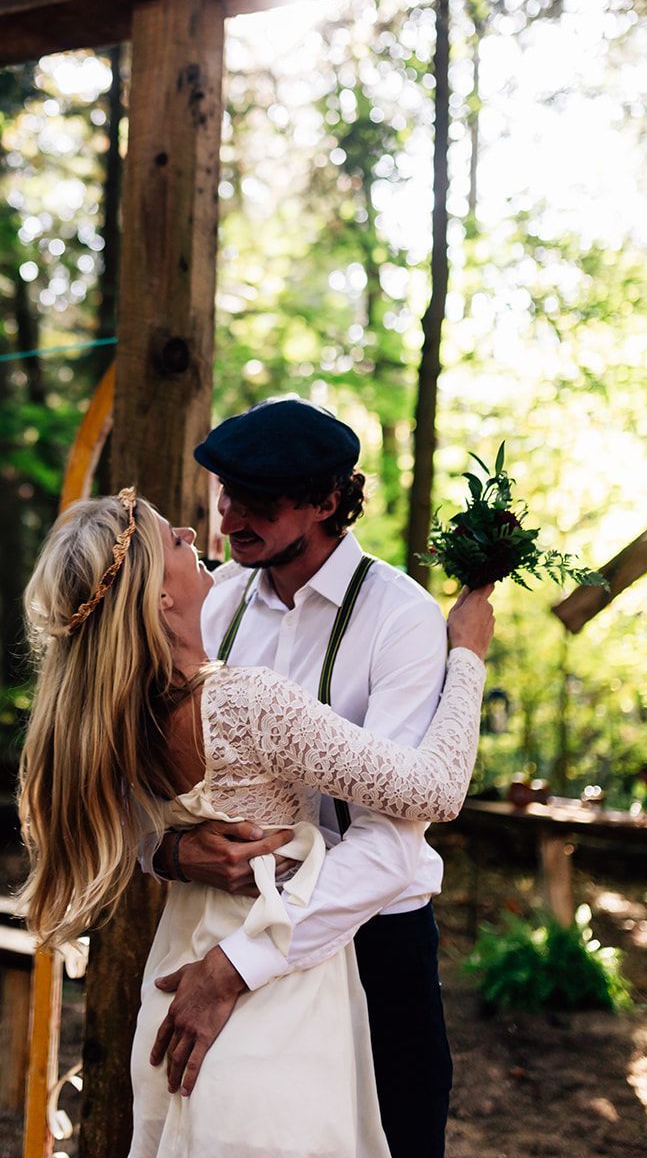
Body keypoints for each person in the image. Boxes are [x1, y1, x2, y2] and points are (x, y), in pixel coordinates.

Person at [17, 483, 495, 1158]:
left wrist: (171, 853)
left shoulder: (116, 706)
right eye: (172, 539)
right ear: (158, 599)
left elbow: (116, 822)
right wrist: (467, 656)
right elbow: (435, 791)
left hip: (177, 967)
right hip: (273, 996)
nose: (195, 532)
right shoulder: (243, 700)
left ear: (326, 502)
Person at [148, 395, 476, 1158]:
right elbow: (156, 778)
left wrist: (238, 967)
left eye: (256, 502)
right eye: (224, 496)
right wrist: (163, 854)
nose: (228, 520)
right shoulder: (214, 599)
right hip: (219, 922)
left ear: (328, 501)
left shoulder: (401, 619)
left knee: (396, 1137)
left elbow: (393, 842)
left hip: (371, 941)